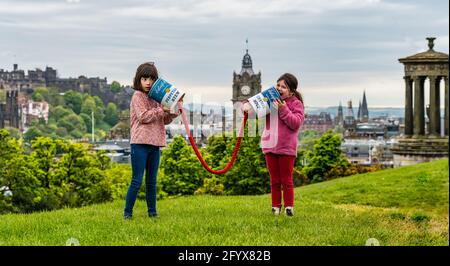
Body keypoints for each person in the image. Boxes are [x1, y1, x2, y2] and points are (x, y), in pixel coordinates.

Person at [124, 62, 182, 220]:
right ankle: (127, 213)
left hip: (155, 144)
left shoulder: (157, 99)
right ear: (139, 80)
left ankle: (152, 213)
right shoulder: (137, 96)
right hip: (140, 144)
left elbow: (164, 120)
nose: (148, 82)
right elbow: (143, 117)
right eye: (144, 79)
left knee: (151, 182)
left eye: (151, 79)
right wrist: (160, 109)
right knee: (136, 180)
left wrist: (174, 111)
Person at [244, 73, 304, 217]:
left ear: (291, 91)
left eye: (283, 86)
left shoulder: (296, 104)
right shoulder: (270, 100)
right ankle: (275, 207)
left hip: (286, 148)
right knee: (274, 180)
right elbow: (253, 111)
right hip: (269, 145)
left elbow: (295, 123)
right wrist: (246, 106)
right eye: (278, 85)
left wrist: (283, 109)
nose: (279, 88)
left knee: (286, 180)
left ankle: (289, 207)